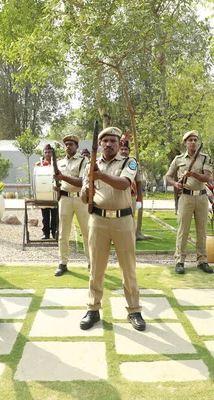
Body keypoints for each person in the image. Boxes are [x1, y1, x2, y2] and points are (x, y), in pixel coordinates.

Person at [79, 127, 145, 332]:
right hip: (98, 220)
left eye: (112, 141)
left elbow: (124, 184)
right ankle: (93, 308)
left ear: (119, 144)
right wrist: (86, 189)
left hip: (123, 221)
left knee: (128, 269)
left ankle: (134, 310)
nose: (108, 144)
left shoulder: (128, 162)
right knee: (96, 268)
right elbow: (83, 197)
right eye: (105, 141)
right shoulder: (90, 165)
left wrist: (98, 175)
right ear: (100, 144)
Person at [165, 131, 214, 275]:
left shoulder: (204, 158)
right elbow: (168, 176)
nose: (193, 142)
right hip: (185, 197)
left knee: (201, 230)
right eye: (190, 140)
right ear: (185, 143)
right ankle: (180, 261)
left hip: (201, 198)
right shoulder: (178, 159)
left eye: (195, 140)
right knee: (183, 230)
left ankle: (202, 260)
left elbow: (207, 178)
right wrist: (175, 183)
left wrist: (192, 174)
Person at [53, 134, 90, 276]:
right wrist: (56, 185)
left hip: (81, 198)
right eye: (66, 144)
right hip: (65, 199)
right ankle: (63, 263)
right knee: (63, 233)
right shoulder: (60, 162)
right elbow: (55, 179)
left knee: (87, 232)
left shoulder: (83, 161)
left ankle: (91, 263)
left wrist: (62, 177)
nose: (68, 147)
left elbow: (82, 181)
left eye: (71, 144)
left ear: (77, 146)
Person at [35, 144, 58, 239]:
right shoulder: (39, 164)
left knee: (55, 215)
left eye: (49, 152)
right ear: (43, 153)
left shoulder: (57, 163)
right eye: (46, 152)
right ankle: (46, 233)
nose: (47, 154)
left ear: (52, 153)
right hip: (44, 193)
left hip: (54, 193)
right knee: (45, 216)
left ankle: (54, 232)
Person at [118, 131, 143, 215]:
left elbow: (139, 182)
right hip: (117, 196)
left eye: (126, 149)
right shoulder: (113, 162)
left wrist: (139, 199)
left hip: (130, 196)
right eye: (121, 149)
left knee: (130, 221)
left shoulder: (133, 163)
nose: (124, 151)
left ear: (129, 151)